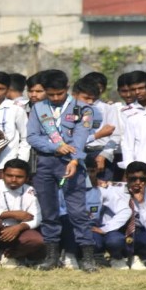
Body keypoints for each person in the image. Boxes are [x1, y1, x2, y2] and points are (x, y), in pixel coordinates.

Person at [26, 70, 98, 272]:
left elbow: (81, 137)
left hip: (72, 162)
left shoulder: (83, 109)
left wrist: (75, 160)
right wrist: (54, 147)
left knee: (77, 211)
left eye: (59, 93)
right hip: (45, 162)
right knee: (49, 210)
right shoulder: (39, 108)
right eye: (51, 94)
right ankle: (51, 256)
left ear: (67, 88)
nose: (56, 98)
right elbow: (32, 137)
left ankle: (87, 257)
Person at [98, 162, 146, 270]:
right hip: (115, 230)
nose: (137, 182)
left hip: (138, 231)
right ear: (126, 177)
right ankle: (117, 257)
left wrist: (142, 203)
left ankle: (138, 256)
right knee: (114, 241)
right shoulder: (111, 189)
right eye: (133, 179)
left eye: (142, 179)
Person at [0, 158, 43, 268]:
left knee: (36, 240)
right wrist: (12, 214)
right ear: (2, 174)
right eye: (9, 175)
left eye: (19, 177)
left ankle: (10, 257)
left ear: (27, 178)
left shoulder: (30, 190)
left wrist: (19, 227)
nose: (13, 180)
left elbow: (37, 217)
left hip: (17, 231)